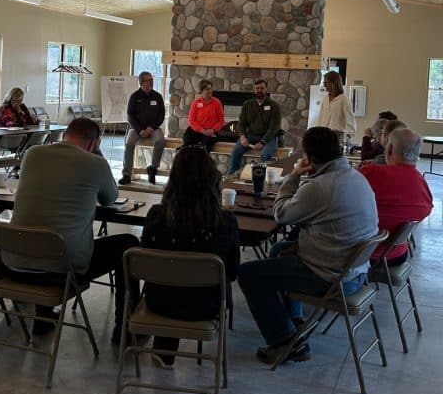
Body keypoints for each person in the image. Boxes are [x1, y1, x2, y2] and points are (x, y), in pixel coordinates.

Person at [237, 127, 378, 364]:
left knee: (248, 274)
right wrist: (302, 246)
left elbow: (281, 214)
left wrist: (294, 175)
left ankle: (285, 343)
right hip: (355, 269)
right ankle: (295, 319)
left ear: (310, 158)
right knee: (279, 250)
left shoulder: (319, 187)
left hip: (331, 277)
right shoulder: (356, 177)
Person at [9, 117, 139, 341]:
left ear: (65, 135)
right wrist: (97, 156)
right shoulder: (95, 163)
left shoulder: (33, 154)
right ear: (93, 143)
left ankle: (43, 318)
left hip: (14, 264)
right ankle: (125, 330)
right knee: (128, 245)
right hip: (62, 271)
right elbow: (111, 199)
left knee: (45, 230)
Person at [141, 145, 239, 369]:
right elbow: (232, 273)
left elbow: (147, 263)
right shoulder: (225, 223)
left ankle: (165, 347)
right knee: (200, 279)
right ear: (212, 179)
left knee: (172, 273)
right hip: (205, 307)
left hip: (159, 303)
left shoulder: (156, 216)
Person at [360, 128, 433, 265]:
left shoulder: (373, 172)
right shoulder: (422, 183)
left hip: (362, 254)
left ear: (389, 149)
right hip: (398, 254)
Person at [119, 71, 166, 185]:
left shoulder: (157, 96)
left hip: (153, 129)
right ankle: (126, 174)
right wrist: (140, 130)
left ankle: (153, 169)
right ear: (141, 83)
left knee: (160, 141)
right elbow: (130, 115)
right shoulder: (134, 97)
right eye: (148, 80)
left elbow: (161, 115)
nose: (151, 82)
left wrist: (151, 128)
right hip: (137, 129)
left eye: (152, 80)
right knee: (129, 142)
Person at [228, 79, 281, 175]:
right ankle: (231, 176)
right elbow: (241, 123)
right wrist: (242, 137)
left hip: (268, 138)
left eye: (262, 88)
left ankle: (261, 179)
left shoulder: (274, 106)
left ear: (266, 89)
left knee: (265, 155)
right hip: (250, 136)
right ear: (254, 89)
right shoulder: (247, 104)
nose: (259, 90)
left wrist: (262, 142)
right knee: (236, 152)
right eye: (257, 88)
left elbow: (274, 127)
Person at [183, 79, 224, 151]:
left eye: (210, 88)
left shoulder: (217, 102)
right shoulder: (196, 103)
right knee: (187, 139)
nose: (209, 91)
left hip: (211, 131)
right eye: (206, 89)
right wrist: (202, 130)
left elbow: (221, 120)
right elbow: (191, 121)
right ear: (201, 91)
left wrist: (212, 130)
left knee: (206, 144)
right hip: (198, 130)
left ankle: (203, 161)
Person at [315, 71, 356, 140]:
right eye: (323, 83)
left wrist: (348, 136)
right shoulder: (325, 99)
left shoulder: (343, 99)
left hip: (337, 135)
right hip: (323, 134)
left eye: (326, 83)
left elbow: (350, 119)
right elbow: (320, 117)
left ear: (334, 83)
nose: (324, 86)